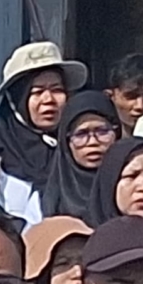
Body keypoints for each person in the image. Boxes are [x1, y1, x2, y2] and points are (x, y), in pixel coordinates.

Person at [0, 42, 84, 222]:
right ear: (16, 100)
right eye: (37, 92)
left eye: (57, 90)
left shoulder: (83, 151)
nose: (48, 100)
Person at [44, 90, 125, 222]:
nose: (93, 142)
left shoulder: (132, 189)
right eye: (81, 134)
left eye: (102, 131)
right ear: (66, 141)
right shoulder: (50, 200)